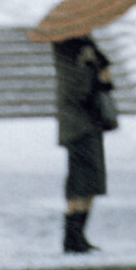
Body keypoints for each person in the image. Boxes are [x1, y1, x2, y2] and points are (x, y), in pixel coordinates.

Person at [52, 34, 115, 252]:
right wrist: (88, 66)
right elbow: (76, 90)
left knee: (92, 181)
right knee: (80, 180)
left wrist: (100, 70)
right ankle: (72, 237)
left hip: (91, 123)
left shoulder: (86, 48)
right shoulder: (66, 50)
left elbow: (102, 83)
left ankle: (79, 234)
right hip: (77, 127)